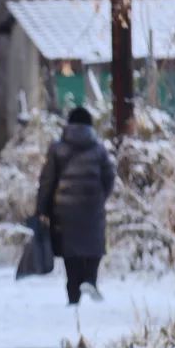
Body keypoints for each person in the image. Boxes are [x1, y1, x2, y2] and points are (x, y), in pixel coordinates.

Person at [35, 107, 116, 305]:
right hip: (92, 206)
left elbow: (47, 180)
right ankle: (90, 279)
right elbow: (109, 177)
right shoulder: (98, 149)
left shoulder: (57, 149)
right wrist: (100, 197)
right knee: (94, 245)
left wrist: (42, 209)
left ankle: (73, 298)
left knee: (71, 253)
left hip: (64, 210)